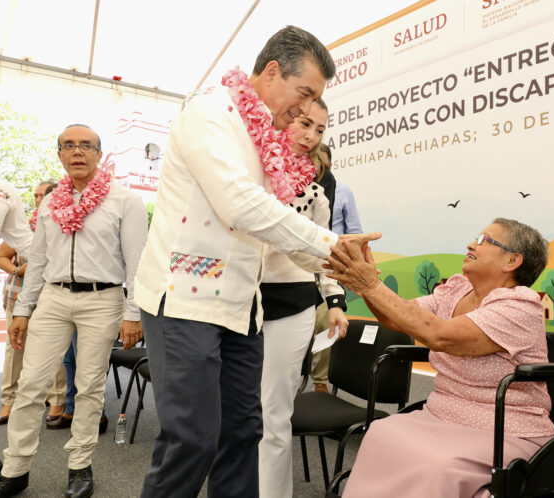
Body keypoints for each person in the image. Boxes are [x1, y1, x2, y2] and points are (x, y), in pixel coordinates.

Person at [133, 26, 379, 498]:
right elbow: (240, 205)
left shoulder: (268, 136)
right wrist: (332, 246)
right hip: (186, 301)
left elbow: (278, 231)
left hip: (245, 309)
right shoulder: (210, 113)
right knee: (191, 439)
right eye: (304, 93)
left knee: (245, 434)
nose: (307, 110)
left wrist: (340, 267)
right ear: (270, 72)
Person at [327, 218, 554, 498]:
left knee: (438, 464)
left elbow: (441, 336)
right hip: (441, 414)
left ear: (512, 261)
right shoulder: (456, 290)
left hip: (504, 429)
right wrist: (364, 282)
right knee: (380, 434)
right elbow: (396, 317)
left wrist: (370, 283)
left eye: (485, 240)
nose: (471, 244)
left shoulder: (519, 305)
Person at [0, 124, 148, 498]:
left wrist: (134, 313)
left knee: (89, 386)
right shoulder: (50, 202)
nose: (77, 152)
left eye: (86, 145)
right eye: (69, 146)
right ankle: (15, 467)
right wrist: (23, 310)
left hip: (103, 299)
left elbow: (137, 263)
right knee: (31, 384)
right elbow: (38, 260)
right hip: (53, 296)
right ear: (60, 154)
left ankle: (79, 466)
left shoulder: (124, 200)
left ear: (99, 153)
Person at [258, 98, 348, 498]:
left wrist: (335, 303)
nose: (310, 135)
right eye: (304, 124)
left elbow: (323, 257)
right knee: (235, 410)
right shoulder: (248, 176)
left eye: (320, 130)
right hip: (235, 301)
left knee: (275, 413)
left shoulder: (316, 194)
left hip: (292, 304)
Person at [0, 181, 67, 426]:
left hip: (50, 296)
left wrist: (41, 265)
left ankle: (57, 399)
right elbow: (1, 256)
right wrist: (19, 270)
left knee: (54, 350)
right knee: (14, 351)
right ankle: (9, 400)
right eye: (36, 195)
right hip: (17, 294)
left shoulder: (66, 224)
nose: (38, 199)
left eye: (43, 195)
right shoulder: (27, 224)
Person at [311, 144, 362, 391]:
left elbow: (354, 232)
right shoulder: (295, 189)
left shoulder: (343, 192)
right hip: (299, 266)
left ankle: (320, 383)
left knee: (325, 322)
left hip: (329, 269)